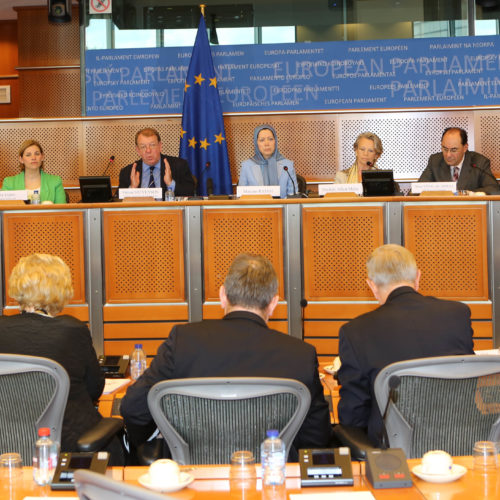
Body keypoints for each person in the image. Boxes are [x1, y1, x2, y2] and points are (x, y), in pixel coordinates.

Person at [121, 253, 332, 458]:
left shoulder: (182, 341)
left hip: (195, 479)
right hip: (270, 479)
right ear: (273, 304)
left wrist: (150, 444)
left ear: (223, 296)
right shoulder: (300, 354)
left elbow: (133, 409)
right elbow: (316, 437)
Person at [337, 244, 474, 447]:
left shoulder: (356, 330)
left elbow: (353, 416)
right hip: (460, 443)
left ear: (372, 285)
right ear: (418, 277)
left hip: (394, 453)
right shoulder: (458, 314)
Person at [0, 254, 111, 455]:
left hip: (8, 450)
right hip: (69, 448)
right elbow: (94, 389)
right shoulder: (72, 330)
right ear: (61, 290)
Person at [419, 127, 499, 195]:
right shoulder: (435, 161)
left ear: (465, 147)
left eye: (454, 150)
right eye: (445, 149)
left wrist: (465, 193)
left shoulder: (479, 162)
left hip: (470, 211)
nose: (448, 155)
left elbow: (494, 190)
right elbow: (417, 190)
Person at [118, 127, 195, 196]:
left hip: (169, 212)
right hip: (140, 212)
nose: (148, 150)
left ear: (160, 146)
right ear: (138, 150)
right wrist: (132, 189)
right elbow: (117, 201)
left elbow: (190, 192)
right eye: (143, 146)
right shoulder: (127, 172)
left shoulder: (179, 166)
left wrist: (170, 183)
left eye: (152, 145)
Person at [238, 124, 298, 198]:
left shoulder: (287, 166)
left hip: (282, 208)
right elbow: (242, 198)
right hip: (258, 208)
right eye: (262, 140)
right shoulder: (247, 166)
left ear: (275, 141)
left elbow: (293, 197)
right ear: (256, 143)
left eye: (270, 139)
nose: (267, 144)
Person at [2, 139, 66, 204]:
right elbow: (4, 211)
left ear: (42, 157)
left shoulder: (55, 181)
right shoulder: (9, 183)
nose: (33, 158)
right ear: (21, 159)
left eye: (37, 154)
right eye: (28, 155)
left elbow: (63, 212)